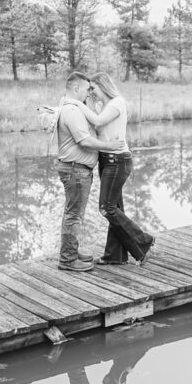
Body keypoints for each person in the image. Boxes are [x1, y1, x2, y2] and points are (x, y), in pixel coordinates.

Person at [73, 73, 155, 267]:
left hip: (117, 160)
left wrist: (77, 104)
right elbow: (94, 123)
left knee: (106, 208)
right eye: (89, 89)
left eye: (93, 88)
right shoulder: (103, 106)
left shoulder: (117, 102)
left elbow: (98, 122)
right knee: (115, 208)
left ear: (103, 86)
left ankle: (144, 241)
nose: (91, 92)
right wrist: (90, 103)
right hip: (106, 160)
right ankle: (115, 256)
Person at [54, 72, 125, 272]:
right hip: (75, 170)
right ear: (77, 89)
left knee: (75, 214)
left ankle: (72, 252)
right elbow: (84, 141)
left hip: (77, 169)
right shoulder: (72, 111)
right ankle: (68, 260)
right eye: (87, 89)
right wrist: (109, 146)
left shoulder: (75, 108)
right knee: (73, 216)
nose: (89, 93)